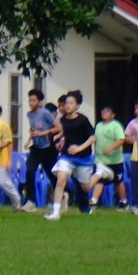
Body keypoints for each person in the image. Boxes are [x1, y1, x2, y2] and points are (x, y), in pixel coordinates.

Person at [46, 91, 96, 220]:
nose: (67, 106)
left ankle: (100, 175)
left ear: (77, 105)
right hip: (66, 156)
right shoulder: (63, 120)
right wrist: (58, 137)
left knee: (85, 187)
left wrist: (79, 148)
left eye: (70, 103)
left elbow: (93, 137)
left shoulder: (83, 120)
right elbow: (67, 131)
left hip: (83, 157)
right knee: (61, 180)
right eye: (66, 103)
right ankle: (55, 212)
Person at [87, 104, 128, 211]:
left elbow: (121, 139)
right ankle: (93, 201)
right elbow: (93, 137)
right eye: (103, 111)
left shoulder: (116, 125)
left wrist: (111, 148)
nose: (104, 113)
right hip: (101, 160)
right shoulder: (98, 125)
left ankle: (123, 201)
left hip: (115, 160)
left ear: (112, 115)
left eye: (107, 111)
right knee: (99, 180)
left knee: (118, 181)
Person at [23, 88, 59, 211]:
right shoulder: (29, 114)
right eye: (30, 100)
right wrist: (29, 139)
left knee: (51, 174)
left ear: (39, 102)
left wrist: (43, 133)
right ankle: (31, 201)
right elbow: (34, 129)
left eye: (33, 100)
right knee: (29, 170)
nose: (31, 103)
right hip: (36, 148)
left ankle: (62, 195)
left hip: (47, 148)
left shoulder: (45, 113)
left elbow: (58, 128)